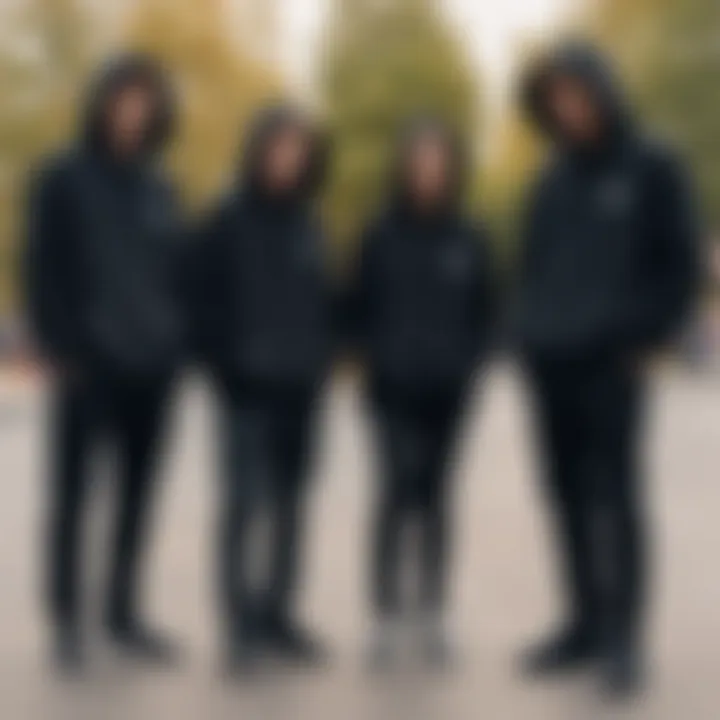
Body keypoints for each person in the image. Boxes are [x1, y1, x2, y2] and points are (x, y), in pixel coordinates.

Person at [515, 43, 700, 698]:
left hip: (612, 367)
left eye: (576, 92)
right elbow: (532, 266)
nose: (567, 107)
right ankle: (583, 625)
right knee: (562, 495)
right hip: (550, 365)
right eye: (554, 98)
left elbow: (679, 266)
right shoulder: (551, 178)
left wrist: (641, 335)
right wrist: (528, 332)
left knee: (614, 501)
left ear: (602, 88)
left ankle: (624, 640)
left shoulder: (653, 165)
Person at [24, 55, 186, 673]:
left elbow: (174, 269)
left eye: (143, 101)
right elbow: (41, 266)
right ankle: (68, 623)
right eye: (122, 99)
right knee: (71, 499)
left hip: (152, 368)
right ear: (101, 103)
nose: (131, 111)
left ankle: (123, 615)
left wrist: (174, 340)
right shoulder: (62, 176)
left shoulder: (159, 184)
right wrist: (61, 347)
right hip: (87, 367)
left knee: (137, 499)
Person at [349, 118, 496, 669]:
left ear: (451, 167)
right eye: (418, 160)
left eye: (438, 160)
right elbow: (355, 304)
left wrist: (471, 363)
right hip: (389, 391)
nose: (428, 171)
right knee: (393, 494)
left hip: (449, 393)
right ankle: (386, 614)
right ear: (404, 167)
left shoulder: (470, 235)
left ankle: (433, 611)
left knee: (436, 499)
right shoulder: (379, 233)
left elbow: (488, 311)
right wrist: (370, 356)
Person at [194, 105, 332, 674]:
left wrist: (320, 358)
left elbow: (322, 300)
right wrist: (226, 368)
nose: (287, 159)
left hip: (301, 390)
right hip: (245, 391)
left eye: (298, 150)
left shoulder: (308, 223)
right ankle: (239, 626)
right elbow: (200, 300)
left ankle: (278, 615)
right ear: (258, 149)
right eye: (278, 147)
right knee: (243, 506)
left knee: (291, 508)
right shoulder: (226, 217)